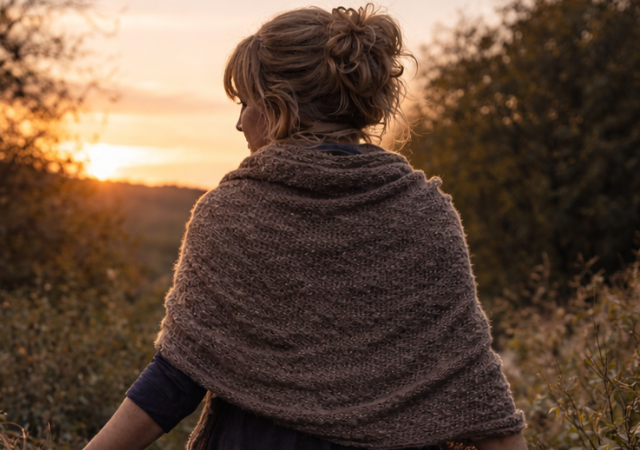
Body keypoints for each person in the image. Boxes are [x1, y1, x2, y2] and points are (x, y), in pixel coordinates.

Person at [84, 5, 528, 450]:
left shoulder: (232, 213)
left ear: (280, 106)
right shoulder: (426, 214)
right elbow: (475, 389)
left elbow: (176, 378)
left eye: (246, 102)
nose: (239, 122)